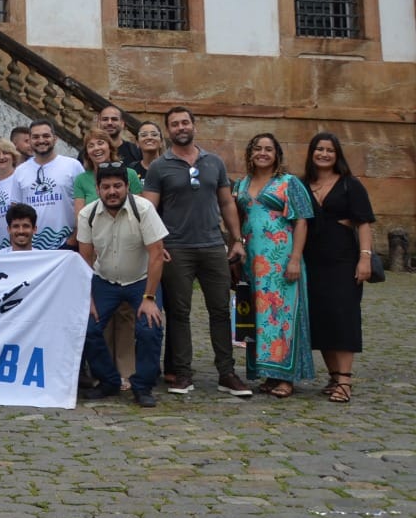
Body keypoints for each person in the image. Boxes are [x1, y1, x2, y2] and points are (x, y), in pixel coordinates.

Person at [143, 106, 248, 398]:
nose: (180, 127)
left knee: (220, 311)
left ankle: (227, 373)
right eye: (174, 124)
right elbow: (148, 209)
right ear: (169, 130)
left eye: (185, 122)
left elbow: (227, 203)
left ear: (194, 125)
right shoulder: (159, 167)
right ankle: (182, 373)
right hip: (176, 248)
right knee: (179, 313)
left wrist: (236, 240)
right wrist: (156, 244)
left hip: (214, 246)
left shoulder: (214, 162)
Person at [77, 162, 169, 408]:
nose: (112, 191)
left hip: (140, 280)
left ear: (128, 187)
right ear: (98, 189)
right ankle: (108, 381)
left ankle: (143, 386)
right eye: (106, 187)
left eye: (118, 186)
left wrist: (149, 299)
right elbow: (85, 258)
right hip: (104, 280)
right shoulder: (87, 214)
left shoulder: (144, 209)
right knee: (87, 327)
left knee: (149, 328)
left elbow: (157, 253)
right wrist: (88, 299)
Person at [234, 132, 314, 397]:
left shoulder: (288, 183)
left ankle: (285, 377)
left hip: (281, 259)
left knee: (281, 317)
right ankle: (267, 373)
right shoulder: (242, 184)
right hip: (252, 261)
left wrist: (294, 258)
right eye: (257, 148)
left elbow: (301, 220)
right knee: (257, 318)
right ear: (250, 153)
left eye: (269, 149)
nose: (263, 153)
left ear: (277, 154)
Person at [303, 131, 376, 405]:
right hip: (312, 260)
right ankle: (333, 376)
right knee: (321, 318)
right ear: (311, 153)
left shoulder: (349, 185)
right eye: (319, 149)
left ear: (337, 155)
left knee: (343, 316)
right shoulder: (301, 184)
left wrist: (365, 257)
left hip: (343, 259)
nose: (324, 154)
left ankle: (345, 380)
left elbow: (364, 222)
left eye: (329, 150)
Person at [13, 119, 83, 250]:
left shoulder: (73, 166)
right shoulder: (20, 171)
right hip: (32, 247)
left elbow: (85, 206)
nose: (41, 140)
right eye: (35, 137)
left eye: (46, 136)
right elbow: (15, 211)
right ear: (30, 140)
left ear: (55, 138)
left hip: (68, 244)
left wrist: (73, 239)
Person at [73, 124, 144, 210]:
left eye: (100, 143)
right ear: (87, 153)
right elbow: (80, 219)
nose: (96, 148)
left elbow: (141, 209)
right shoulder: (81, 180)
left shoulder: (130, 174)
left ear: (110, 147)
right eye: (91, 146)